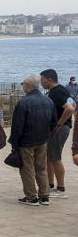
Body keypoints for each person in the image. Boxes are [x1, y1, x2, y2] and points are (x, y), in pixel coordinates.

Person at [9, 75, 57, 206]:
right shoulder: (48, 101)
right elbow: (54, 122)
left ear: (28, 85)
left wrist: (14, 143)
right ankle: (44, 196)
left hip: (26, 142)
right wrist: (47, 135)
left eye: (22, 84)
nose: (22, 86)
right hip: (42, 140)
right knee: (41, 168)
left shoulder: (23, 103)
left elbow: (17, 126)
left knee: (27, 169)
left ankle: (31, 197)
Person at [40, 69, 75, 198]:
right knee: (49, 157)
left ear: (49, 79)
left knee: (55, 157)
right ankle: (49, 185)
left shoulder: (58, 92)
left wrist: (60, 123)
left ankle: (61, 189)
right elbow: (73, 103)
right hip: (56, 129)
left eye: (42, 80)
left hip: (60, 129)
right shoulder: (58, 90)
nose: (41, 82)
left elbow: (70, 108)